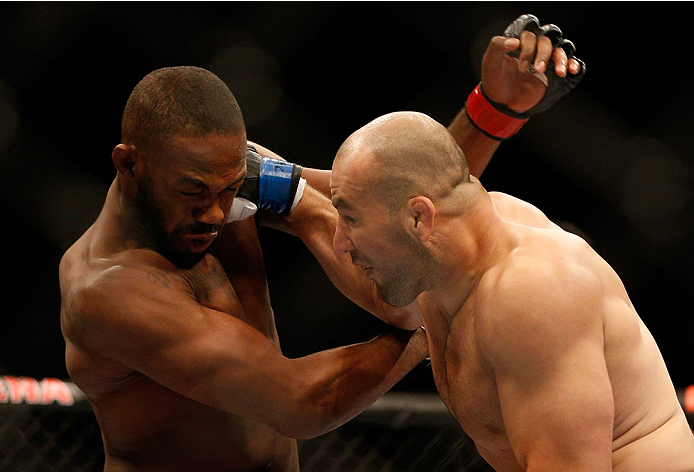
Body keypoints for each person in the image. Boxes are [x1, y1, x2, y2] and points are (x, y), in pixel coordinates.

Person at [58, 14, 581, 472]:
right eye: (193, 193)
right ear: (129, 164)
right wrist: (436, 322)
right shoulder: (106, 291)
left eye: (229, 187)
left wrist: (492, 110)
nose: (216, 212)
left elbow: (405, 194)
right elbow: (299, 403)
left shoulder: (236, 173)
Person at [310, 32, 694, 472]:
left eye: (351, 219)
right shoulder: (439, 264)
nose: (340, 240)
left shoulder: (530, 293)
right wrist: (288, 196)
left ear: (419, 219)